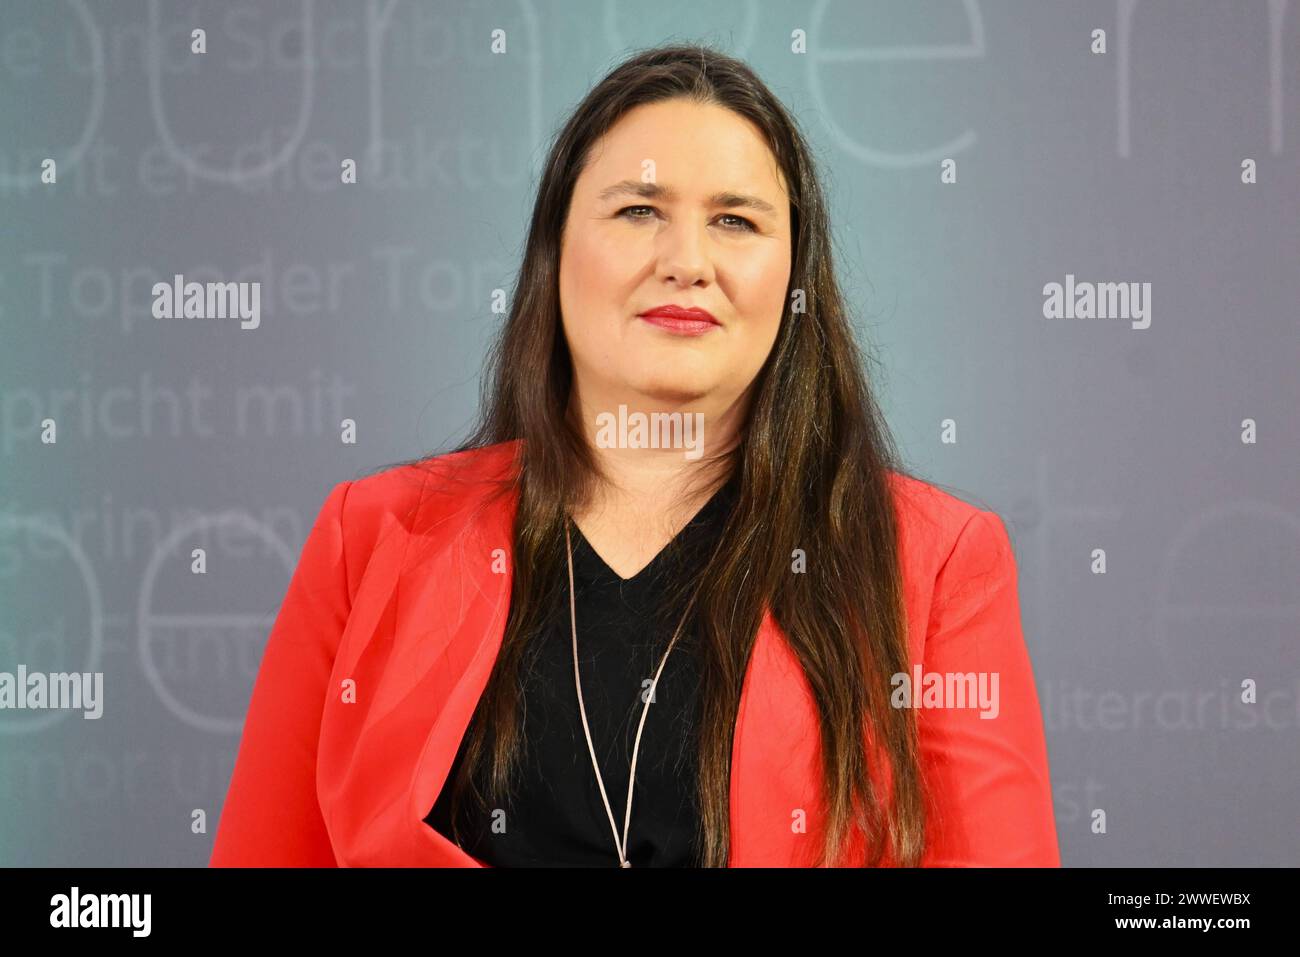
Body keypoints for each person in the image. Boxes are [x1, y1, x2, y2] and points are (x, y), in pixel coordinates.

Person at [209, 43, 1060, 868]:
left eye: (735, 220)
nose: (687, 262)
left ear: (795, 271)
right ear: (553, 254)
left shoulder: (938, 564)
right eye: (638, 210)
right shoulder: (372, 537)